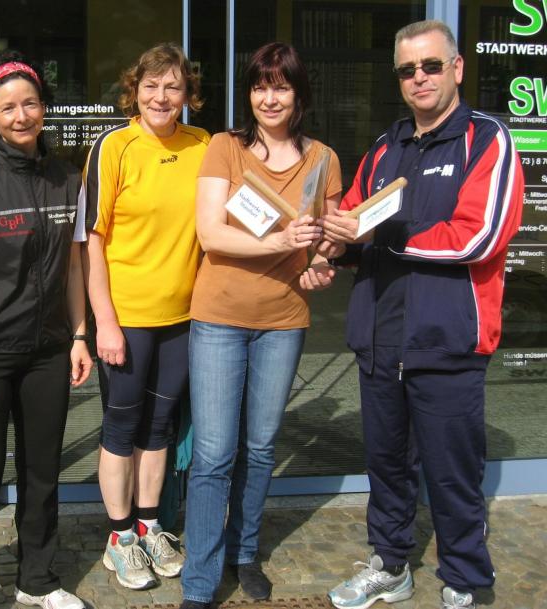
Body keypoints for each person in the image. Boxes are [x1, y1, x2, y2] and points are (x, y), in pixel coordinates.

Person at [316, 20, 524, 609]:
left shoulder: (486, 140)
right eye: (407, 70)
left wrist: (383, 235)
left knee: (453, 473)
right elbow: (356, 220)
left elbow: (479, 236)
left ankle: (465, 579)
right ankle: (389, 566)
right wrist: (333, 247)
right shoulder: (387, 146)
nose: (419, 78)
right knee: (386, 467)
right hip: (381, 338)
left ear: (457, 68)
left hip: (447, 339)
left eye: (431, 65)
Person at [179, 42, 341, 609]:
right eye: (259, 86)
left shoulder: (322, 159)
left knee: (261, 448)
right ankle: (200, 580)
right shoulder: (226, 148)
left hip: (283, 321)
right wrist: (280, 242)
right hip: (220, 317)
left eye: (281, 86)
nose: (269, 98)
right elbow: (210, 233)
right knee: (213, 454)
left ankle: (244, 552)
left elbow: (325, 243)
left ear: (299, 93)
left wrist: (322, 264)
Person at [0, 50, 92, 609]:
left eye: (30, 103)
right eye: (7, 107)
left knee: (42, 473)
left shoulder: (67, 180)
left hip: (49, 351)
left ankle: (38, 579)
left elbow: (74, 266)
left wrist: (80, 336)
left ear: (43, 108)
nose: (21, 115)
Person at [81, 42, 209, 590]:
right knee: (121, 425)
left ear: (187, 94)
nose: (161, 97)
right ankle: (119, 538)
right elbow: (91, 239)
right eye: (151, 86)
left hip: (183, 316)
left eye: (173, 87)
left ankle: (150, 525)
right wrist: (104, 321)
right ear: (134, 90)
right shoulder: (114, 146)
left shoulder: (204, 145)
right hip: (127, 316)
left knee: (160, 427)